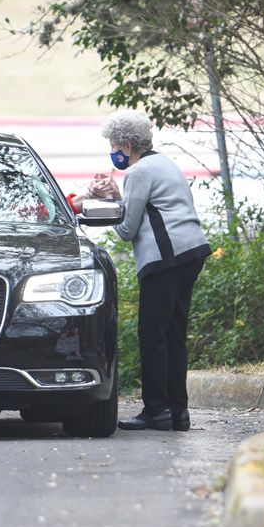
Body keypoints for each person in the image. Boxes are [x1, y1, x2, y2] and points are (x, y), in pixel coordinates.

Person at [90, 110, 211, 431]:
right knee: (173, 334)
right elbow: (148, 208)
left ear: (128, 146)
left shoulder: (137, 172)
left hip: (165, 257)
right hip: (191, 251)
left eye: (114, 145)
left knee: (152, 335)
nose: (113, 151)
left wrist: (108, 205)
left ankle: (156, 410)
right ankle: (178, 412)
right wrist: (116, 197)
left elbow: (127, 229)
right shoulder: (164, 164)